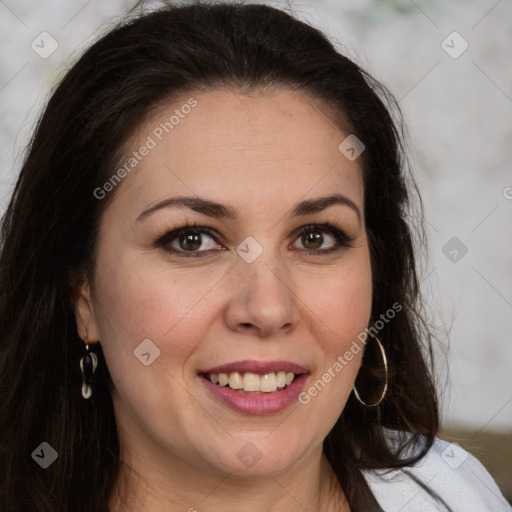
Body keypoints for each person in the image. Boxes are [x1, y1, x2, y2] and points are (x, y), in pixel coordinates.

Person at [0, 2, 509, 511]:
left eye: (316, 238)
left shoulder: (452, 493)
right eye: (192, 240)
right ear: (81, 293)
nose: (268, 309)